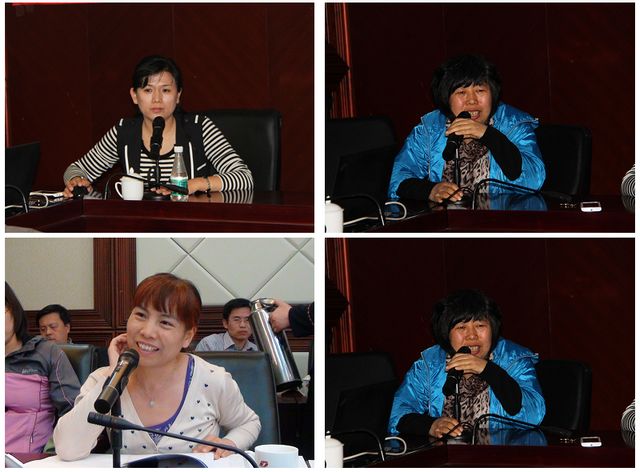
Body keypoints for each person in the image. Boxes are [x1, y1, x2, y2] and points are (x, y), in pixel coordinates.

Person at [53, 273, 260, 461]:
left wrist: (230, 443)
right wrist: (114, 374)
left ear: (187, 336)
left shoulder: (212, 379)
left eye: (165, 323)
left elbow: (249, 423)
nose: (147, 331)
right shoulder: (104, 378)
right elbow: (68, 449)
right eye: (141, 315)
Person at [62, 55, 253, 198]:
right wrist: (76, 181)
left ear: (178, 95)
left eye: (166, 90)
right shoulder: (124, 132)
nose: (157, 99)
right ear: (134, 95)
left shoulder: (199, 128)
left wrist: (193, 185)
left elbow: (244, 177)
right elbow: (77, 168)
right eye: (148, 90)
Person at [388, 54, 545, 203]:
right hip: (449, 219)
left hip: (502, 217)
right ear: (446, 98)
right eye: (462, 92)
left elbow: (534, 180)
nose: (472, 100)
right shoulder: (430, 129)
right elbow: (398, 178)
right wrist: (430, 190)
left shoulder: (514, 124)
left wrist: (488, 135)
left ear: (493, 94)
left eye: (480, 90)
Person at [388, 289, 545, 439]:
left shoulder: (514, 359)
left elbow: (534, 415)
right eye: (462, 327)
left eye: (480, 325)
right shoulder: (430, 364)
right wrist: (430, 425)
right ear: (446, 333)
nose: (472, 335)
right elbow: (398, 414)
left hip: (502, 452)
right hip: (448, 455)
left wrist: (487, 369)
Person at [5, 283, 81, 453]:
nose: (48, 332)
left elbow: (73, 411)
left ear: (13, 310)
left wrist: (53, 452)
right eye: (43, 328)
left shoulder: (46, 352)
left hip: (29, 457)